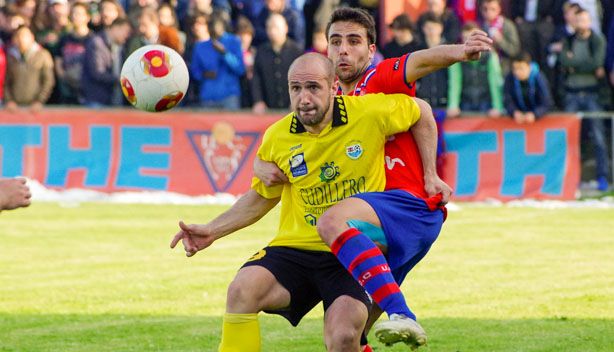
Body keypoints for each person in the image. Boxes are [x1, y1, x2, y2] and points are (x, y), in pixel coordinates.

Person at [253, 7, 492, 350]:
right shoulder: (333, 107)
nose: (344, 50)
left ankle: (403, 312)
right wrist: (259, 166)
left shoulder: (376, 80)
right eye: (335, 42)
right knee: (344, 335)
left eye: (354, 41)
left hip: (405, 206)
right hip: (378, 226)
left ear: (371, 49)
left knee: (331, 220)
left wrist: (460, 51)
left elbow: (419, 65)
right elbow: (289, 149)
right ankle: (394, 316)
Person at [171, 52, 435, 352]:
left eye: (313, 87)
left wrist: (431, 175)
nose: (303, 98)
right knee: (241, 290)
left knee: (344, 336)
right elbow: (260, 198)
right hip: (294, 248)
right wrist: (212, 230)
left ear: (334, 87)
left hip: (350, 254)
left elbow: (421, 111)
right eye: (295, 88)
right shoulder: (278, 136)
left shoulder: (369, 112)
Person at [559, 8, 609, 191]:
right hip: (572, 92)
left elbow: (596, 62)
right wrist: (582, 65)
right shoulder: (569, 40)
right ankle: (571, 178)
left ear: (589, 21)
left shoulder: (597, 40)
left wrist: (576, 65)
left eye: (584, 20)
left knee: (598, 138)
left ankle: (602, 177)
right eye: (578, 20)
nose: (581, 24)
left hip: (592, 93)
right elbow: (564, 61)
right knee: (570, 139)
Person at [447, 22, 504, 118]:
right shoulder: (457, 57)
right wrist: (453, 105)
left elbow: (495, 82)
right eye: (465, 38)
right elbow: (455, 83)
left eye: (471, 38)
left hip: (486, 103)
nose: (468, 41)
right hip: (465, 103)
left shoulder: (490, 56)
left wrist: (497, 107)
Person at [190, 11, 244, 110]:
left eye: (215, 24)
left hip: (229, 97)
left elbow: (240, 69)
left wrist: (225, 54)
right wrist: (204, 74)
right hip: (208, 97)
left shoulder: (234, 41)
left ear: (222, 25)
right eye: (209, 24)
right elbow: (195, 71)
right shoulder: (200, 46)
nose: (212, 28)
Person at [251, 13, 302, 114]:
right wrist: (258, 101)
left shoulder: (296, 51)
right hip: (267, 108)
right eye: (269, 28)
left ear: (285, 28)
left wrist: (297, 100)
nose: (273, 31)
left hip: (291, 108)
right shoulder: (261, 51)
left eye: (276, 27)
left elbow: (302, 79)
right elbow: (256, 78)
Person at [81, 17, 132, 107]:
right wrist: (121, 79)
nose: (127, 36)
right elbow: (97, 73)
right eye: (126, 32)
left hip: (113, 101)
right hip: (97, 100)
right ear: (116, 28)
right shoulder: (97, 43)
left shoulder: (119, 48)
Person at [4, 25, 55, 113]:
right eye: (18, 35)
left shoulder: (43, 55)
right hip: (14, 108)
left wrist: (39, 101)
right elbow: (6, 81)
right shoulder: (10, 56)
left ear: (31, 37)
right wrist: (9, 101)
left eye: (24, 35)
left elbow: (48, 81)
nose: (21, 39)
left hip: (35, 108)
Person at [504, 52, 553, 124]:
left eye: (521, 68)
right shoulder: (510, 78)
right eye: (515, 69)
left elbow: (547, 102)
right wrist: (514, 112)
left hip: (537, 121)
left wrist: (535, 114)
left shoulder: (539, 77)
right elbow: (507, 99)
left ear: (529, 67)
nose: (517, 72)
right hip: (518, 121)